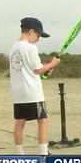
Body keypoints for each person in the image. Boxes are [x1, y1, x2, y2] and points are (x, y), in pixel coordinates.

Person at [9, 17, 60, 155]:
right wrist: (52, 64)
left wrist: (45, 69)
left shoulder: (14, 48)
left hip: (18, 94)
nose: (39, 39)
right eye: (38, 35)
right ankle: (43, 153)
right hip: (32, 92)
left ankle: (20, 155)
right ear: (31, 31)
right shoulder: (30, 48)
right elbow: (37, 70)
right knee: (42, 120)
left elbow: (29, 69)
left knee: (20, 121)